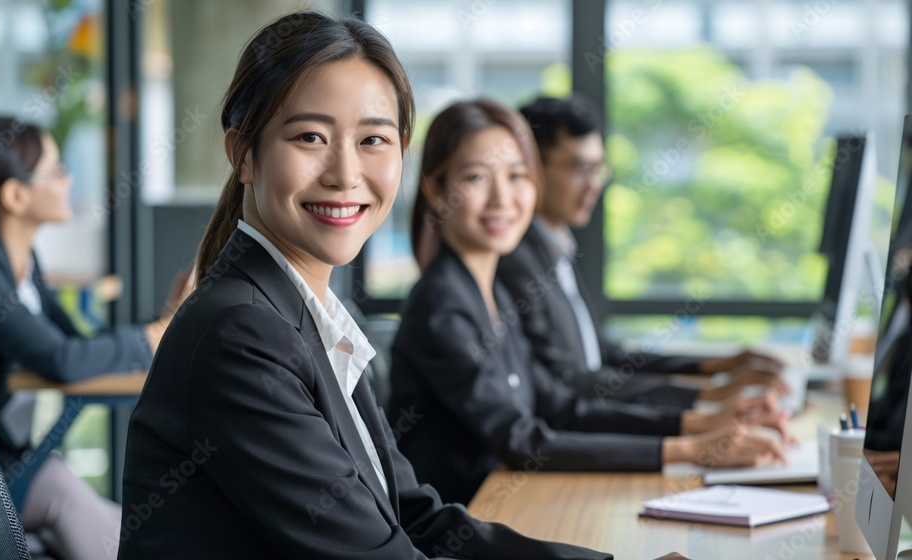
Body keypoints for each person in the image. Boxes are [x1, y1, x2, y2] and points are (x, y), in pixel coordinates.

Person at [119, 11, 611, 560]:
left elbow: (412, 517)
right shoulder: (242, 333)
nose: (345, 173)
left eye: (373, 139)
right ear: (242, 155)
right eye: (310, 136)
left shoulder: (307, 313)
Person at [388, 98, 792, 506]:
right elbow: (520, 439)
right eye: (476, 177)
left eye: (516, 175)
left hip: (510, 505)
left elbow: (560, 407)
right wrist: (689, 449)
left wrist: (698, 424)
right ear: (436, 191)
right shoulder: (441, 307)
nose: (502, 198)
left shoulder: (490, 292)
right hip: (462, 527)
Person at [0, 116, 183, 559]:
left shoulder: (20, 260)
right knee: (79, 504)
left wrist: (162, 325)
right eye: (56, 171)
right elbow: (62, 359)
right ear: (15, 195)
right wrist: (150, 337)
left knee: (90, 511)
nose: (68, 180)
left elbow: (79, 343)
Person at [496, 95, 788, 409]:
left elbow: (603, 355)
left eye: (599, 169)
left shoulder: (556, 244)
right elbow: (570, 379)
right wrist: (703, 398)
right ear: (530, 168)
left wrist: (709, 366)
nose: (593, 184)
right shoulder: (516, 259)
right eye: (580, 168)